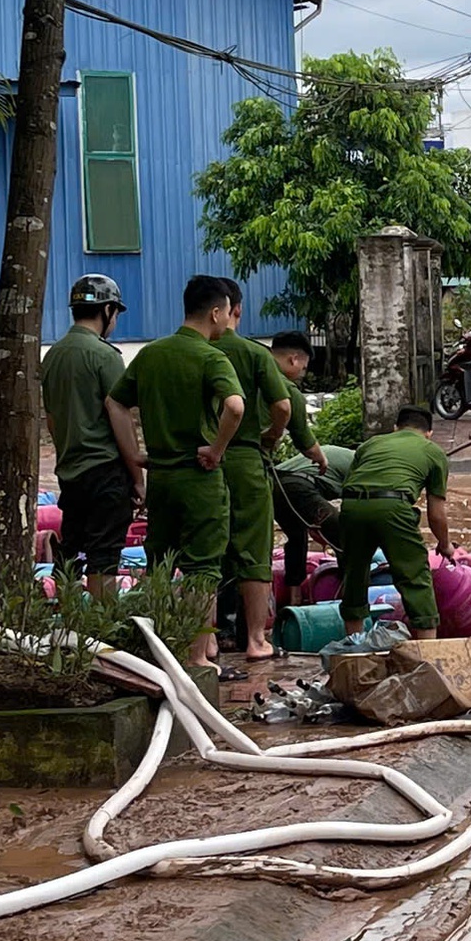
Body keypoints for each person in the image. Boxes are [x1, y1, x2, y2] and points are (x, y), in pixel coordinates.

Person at [111, 276, 245, 666]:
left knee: (160, 563)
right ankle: (196, 658)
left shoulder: (151, 354)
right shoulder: (209, 357)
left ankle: (160, 652)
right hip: (198, 477)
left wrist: (134, 455)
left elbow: (115, 403)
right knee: (203, 568)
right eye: (226, 314)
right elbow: (234, 406)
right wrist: (217, 450)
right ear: (216, 312)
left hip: (162, 479)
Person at [39, 274, 144, 595]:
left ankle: (70, 623)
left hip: (71, 471)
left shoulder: (53, 356)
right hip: (105, 471)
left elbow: (53, 420)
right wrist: (137, 476)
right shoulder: (105, 356)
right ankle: (103, 630)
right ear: (108, 309)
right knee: (104, 557)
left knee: (70, 551)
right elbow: (120, 414)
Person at [210, 279, 295, 661]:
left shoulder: (180, 352)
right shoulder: (253, 354)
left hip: (195, 463)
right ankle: (255, 641)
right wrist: (271, 436)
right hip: (245, 456)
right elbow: (283, 407)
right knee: (254, 550)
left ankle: (210, 638)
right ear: (235, 310)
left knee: (206, 551)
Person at [335, 405, 453, 642]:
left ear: (396, 428)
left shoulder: (370, 444)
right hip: (393, 508)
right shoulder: (433, 451)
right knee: (415, 577)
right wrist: (445, 544)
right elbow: (437, 513)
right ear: (429, 432)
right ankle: (428, 650)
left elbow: (353, 482)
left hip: (351, 507)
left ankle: (355, 645)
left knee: (354, 574)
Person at [265, 330, 344, 598]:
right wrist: (319, 457)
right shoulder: (286, 390)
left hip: (271, 478)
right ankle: (351, 599)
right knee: (343, 535)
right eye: (305, 367)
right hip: (289, 483)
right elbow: (305, 440)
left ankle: (294, 599)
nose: (303, 373)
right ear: (294, 359)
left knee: (295, 536)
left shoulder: (249, 371)